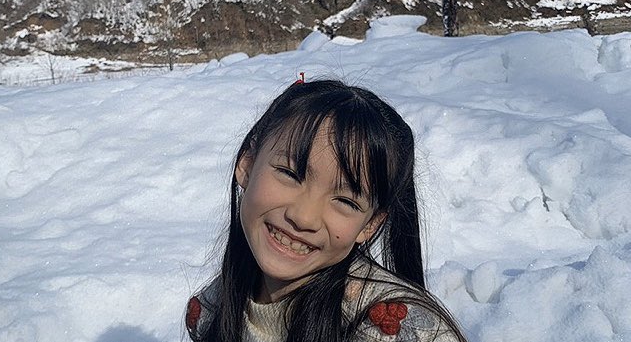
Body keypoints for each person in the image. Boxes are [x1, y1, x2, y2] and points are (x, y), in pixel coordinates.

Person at [185, 79, 467, 342]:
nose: (303, 217)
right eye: (289, 174)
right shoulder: (210, 311)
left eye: (345, 201)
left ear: (370, 224)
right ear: (247, 163)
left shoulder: (401, 332)